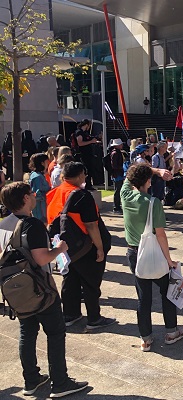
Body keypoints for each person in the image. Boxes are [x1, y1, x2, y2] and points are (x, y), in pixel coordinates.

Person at [0, 182, 89, 398]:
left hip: (16, 290)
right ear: (24, 199)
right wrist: (59, 249)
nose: (34, 196)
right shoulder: (32, 225)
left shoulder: (3, 225)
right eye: (30, 193)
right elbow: (41, 258)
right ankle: (60, 382)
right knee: (56, 333)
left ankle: (31, 380)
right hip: (39, 288)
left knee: (27, 332)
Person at [120, 163, 183, 351]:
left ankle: (146, 337)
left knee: (143, 296)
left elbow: (130, 174)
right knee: (167, 291)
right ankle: (172, 330)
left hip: (134, 252)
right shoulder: (153, 203)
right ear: (147, 181)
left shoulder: (125, 195)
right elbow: (161, 235)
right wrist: (169, 259)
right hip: (154, 252)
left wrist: (152, 171)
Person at [46, 162, 116, 331]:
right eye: (84, 175)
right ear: (78, 176)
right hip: (85, 246)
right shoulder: (81, 195)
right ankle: (94, 319)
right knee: (91, 283)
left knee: (70, 280)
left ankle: (70, 315)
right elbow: (91, 225)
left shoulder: (57, 192)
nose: (85, 177)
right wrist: (99, 248)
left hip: (64, 246)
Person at [73, 119, 101, 190]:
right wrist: (91, 141)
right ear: (86, 125)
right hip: (83, 154)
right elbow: (80, 143)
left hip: (88, 153)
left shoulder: (85, 133)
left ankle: (89, 185)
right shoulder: (79, 132)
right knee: (87, 169)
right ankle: (87, 185)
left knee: (90, 169)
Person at [28, 153, 51, 224]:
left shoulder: (36, 174)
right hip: (40, 210)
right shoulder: (37, 177)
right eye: (47, 161)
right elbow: (36, 194)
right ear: (42, 163)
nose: (48, 164)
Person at [109, 139, 126, 212]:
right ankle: (116, 207)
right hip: (117, 174)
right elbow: (114, 165)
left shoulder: (118, 152)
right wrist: (121, 167)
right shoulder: (115, 153)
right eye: (120, 144)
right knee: (117, 190)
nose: (122, 145)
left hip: (119, 173)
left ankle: (118, 205)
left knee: (119, 190)